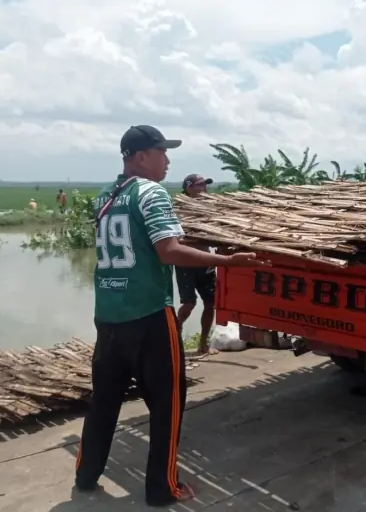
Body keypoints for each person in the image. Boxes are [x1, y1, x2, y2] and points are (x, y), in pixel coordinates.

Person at [74, 124, 269, 506]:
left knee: (105, 401)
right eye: (162, 152)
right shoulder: (151, 193)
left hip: (108, 316)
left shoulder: (104, 197)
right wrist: (227, 259)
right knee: (168, 403)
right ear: (140, 156)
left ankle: (85, 474)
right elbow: (169, 251)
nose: (168, 160)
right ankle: (163, 489)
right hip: (148, 315)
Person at [175, 174, 218, 354]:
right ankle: (174, 340)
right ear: (188, 188)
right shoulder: (178, 210)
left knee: (211, 302)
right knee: (189, 304)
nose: (204, 189)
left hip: (205, 261)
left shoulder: (208, 210)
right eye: (200, 185)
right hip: (185, 263)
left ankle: (203, 345)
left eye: (205, 186)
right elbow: (174, 240)